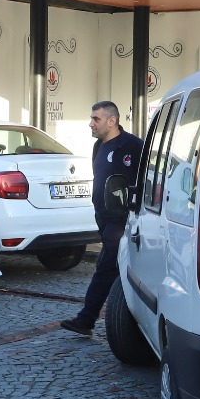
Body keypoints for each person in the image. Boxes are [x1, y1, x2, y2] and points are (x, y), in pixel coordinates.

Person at [60, 101, 144, 336]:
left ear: (112, 121)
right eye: (92, 118)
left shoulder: (134, 145)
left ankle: (86, 319)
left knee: (105, 267)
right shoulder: (99, 146)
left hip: (123, 221)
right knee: (116, 269)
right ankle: (127, 320)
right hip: (104, 220)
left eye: (95, 119)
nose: (91, 123)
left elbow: (147, 179)